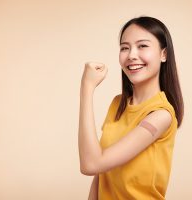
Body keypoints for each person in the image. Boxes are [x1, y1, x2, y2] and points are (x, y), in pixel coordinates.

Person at [78, 16, 184, 200]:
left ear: (163, 54)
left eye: (142, 46)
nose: (131, 55)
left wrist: (86, 89)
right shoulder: (118, 105)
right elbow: (101, 174)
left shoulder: (161, 115)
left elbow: (91, 164)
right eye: (125, 48)